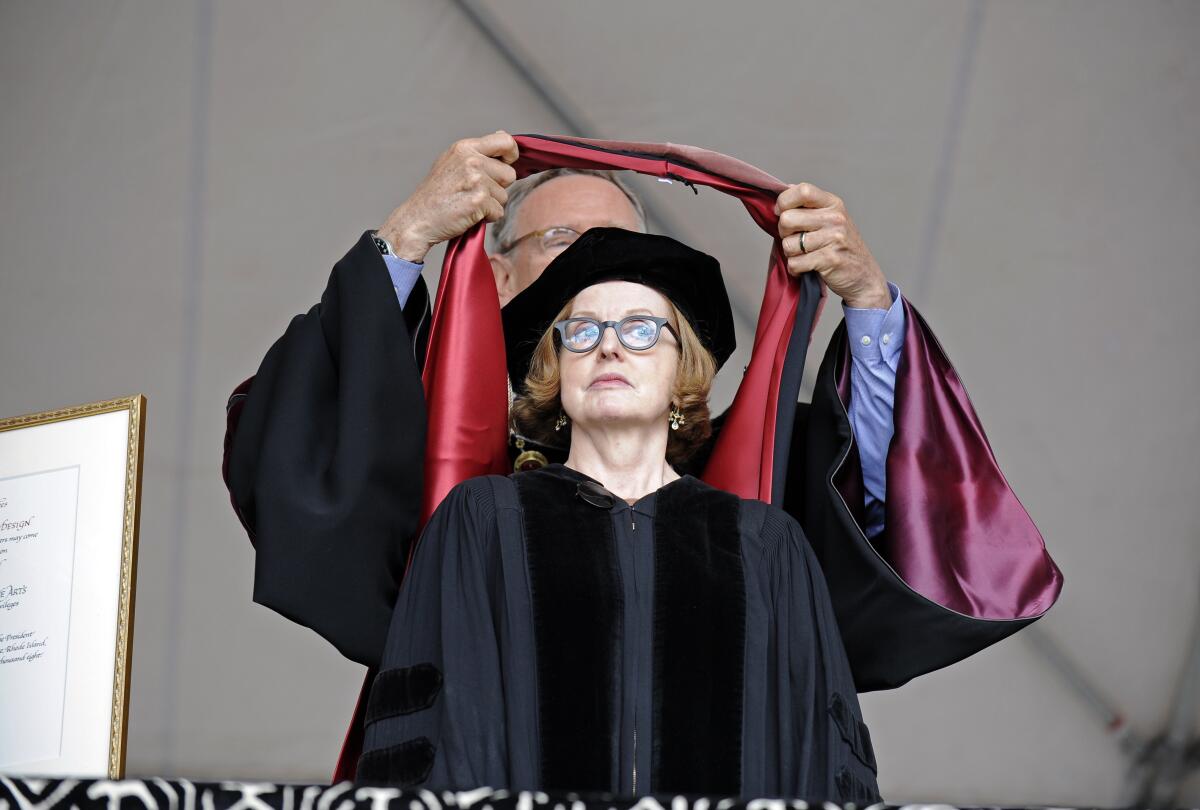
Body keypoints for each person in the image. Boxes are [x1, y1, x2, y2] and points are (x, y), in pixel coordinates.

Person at [224, 132, 907, 669]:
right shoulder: (442, 471)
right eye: (562, 241)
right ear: (498, 274)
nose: (598, 264)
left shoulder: (738, 485)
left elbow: (883, 516)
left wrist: (869, 302)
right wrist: (406, 237)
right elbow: (302, 469)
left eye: (621, 248)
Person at [355, 228, 880, 802]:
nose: (609, 347)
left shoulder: (764, 543)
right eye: (581, 333)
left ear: (683, 371)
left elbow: (820, 755)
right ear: (557, 374)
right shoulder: (483, 521)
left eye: (640, 329)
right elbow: (435, 740)